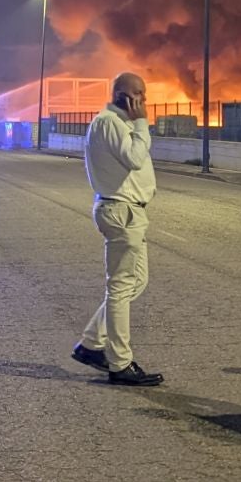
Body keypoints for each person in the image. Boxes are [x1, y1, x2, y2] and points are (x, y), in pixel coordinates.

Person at [70, 72, 162, 387]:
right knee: (121, 287)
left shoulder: (115, 124)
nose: (145, 102)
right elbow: (135, 159)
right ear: (125, 96)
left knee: (137, 282)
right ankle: (120, 363)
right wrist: (141, 124)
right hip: (120, 212)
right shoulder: (110, 123)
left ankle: (91, 343)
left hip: (128, 212)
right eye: (140, 95)